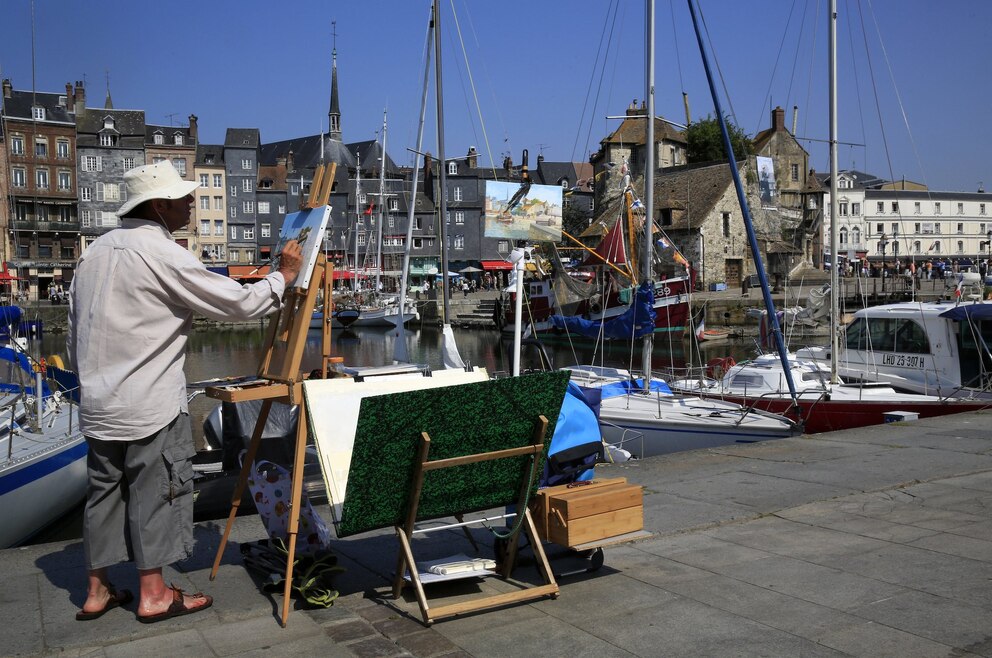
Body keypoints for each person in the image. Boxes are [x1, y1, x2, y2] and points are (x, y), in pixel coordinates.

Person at [67, 161, 303, 624]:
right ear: (159, 206)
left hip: (97, 402)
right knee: (154, 492)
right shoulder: (161, 252)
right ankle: (153, 593)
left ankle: (96, 589)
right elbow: (236, 303)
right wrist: (284, 277)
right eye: (184, 197)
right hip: (148, 402)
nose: (192, 203)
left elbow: (76, 332)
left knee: (103, 494)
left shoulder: (93, 253)